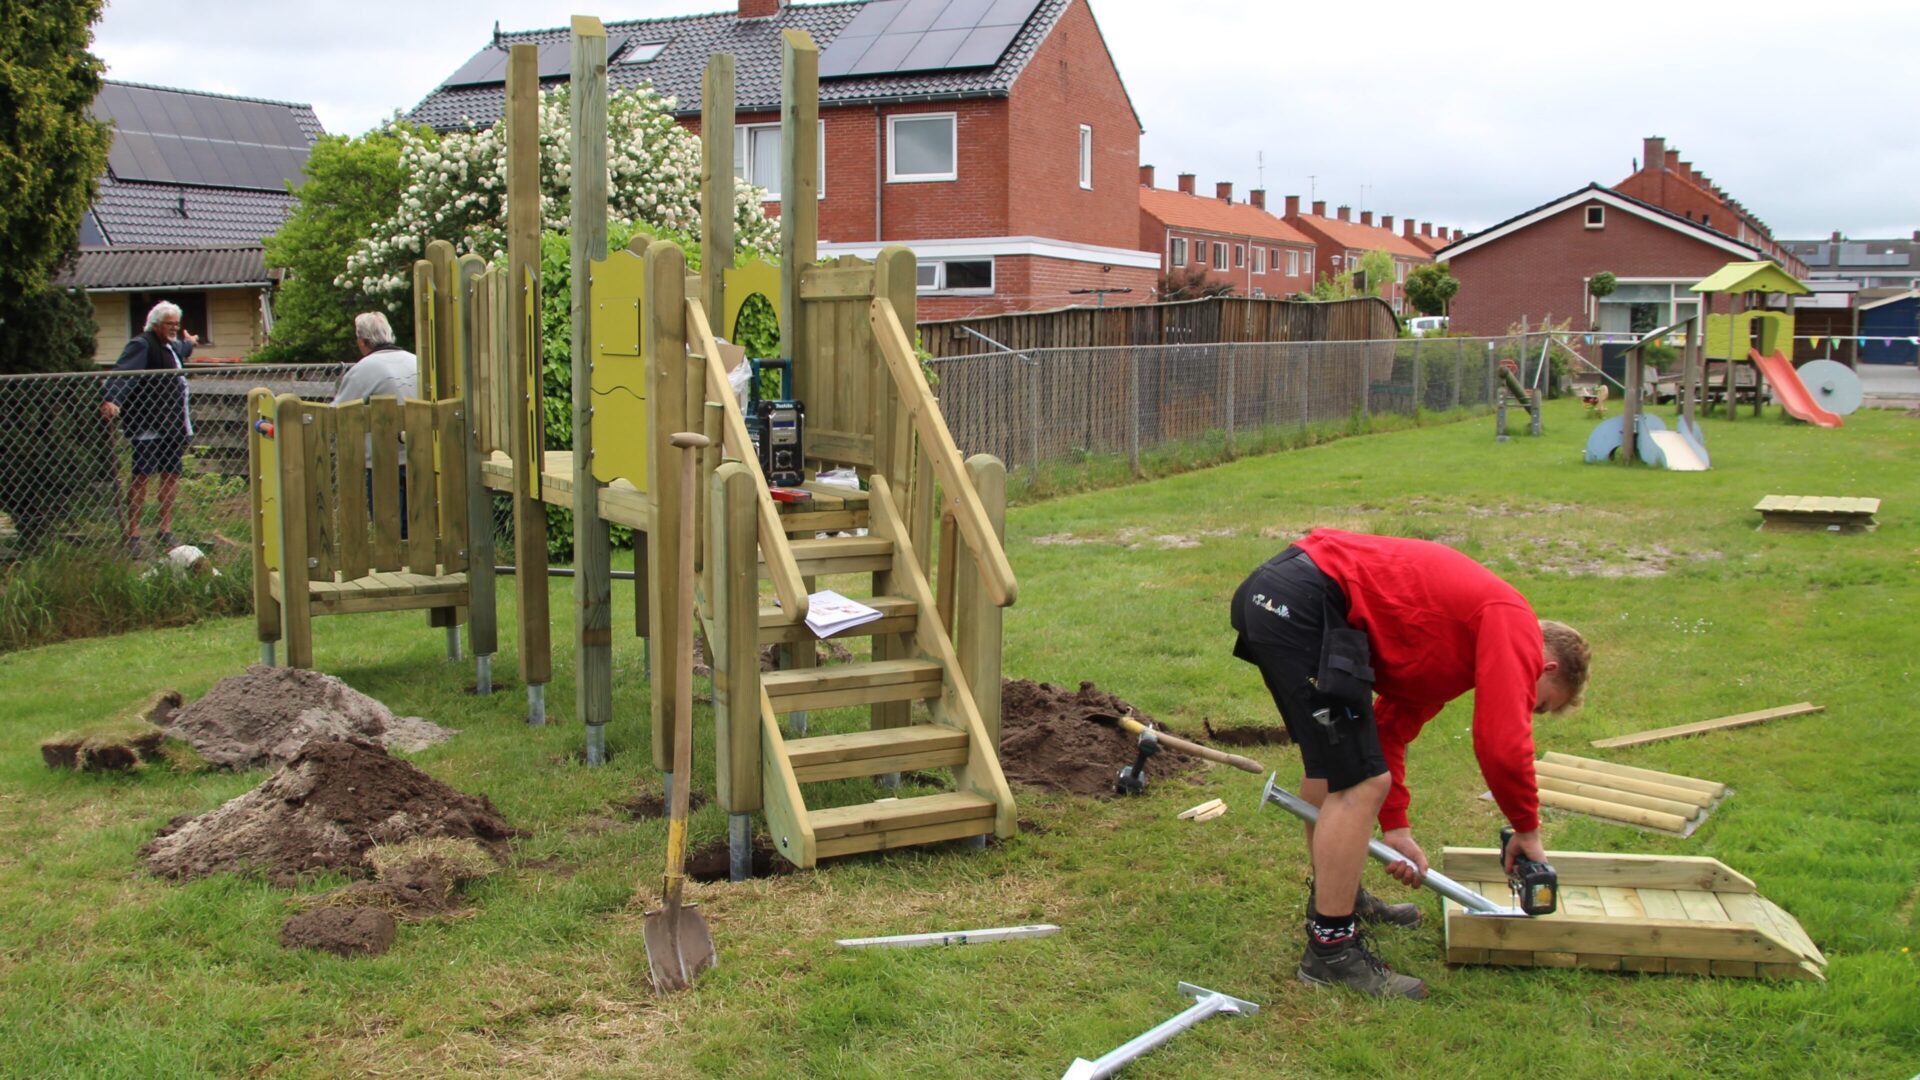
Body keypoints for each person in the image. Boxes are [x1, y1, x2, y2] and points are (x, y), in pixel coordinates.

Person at [1230, 528, 1590, 1000]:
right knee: (1358, 780)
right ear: (1546, 669)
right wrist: (1527, 831)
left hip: (1286, 597)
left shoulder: (1457, 648)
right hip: (1301, 601)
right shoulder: (1512, 622)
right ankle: (1331, 950)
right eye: (1540, 705)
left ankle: (1339, 896)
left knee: (1334, 765)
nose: (1528, 708)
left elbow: (1387, 731)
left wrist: (1395, 828)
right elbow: (1501, 744)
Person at [101, 302, 199, 557]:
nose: (174, 328)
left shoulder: (171, 345)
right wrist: (112, 399)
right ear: (156, 324)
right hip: (149, 423)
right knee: (142, 475)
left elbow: (182, 347)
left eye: (177, 324)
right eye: (170, 324)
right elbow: (124, 372)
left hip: (173, 424)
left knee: (171, 474)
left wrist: (191, 342)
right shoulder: (142, 344)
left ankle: (165, 528)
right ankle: (133, 532)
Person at [333, 312, 419, 535]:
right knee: (419, 524)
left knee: (388, 529)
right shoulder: (416, 361)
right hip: (422, 455)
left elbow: (338, 414)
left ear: (362, 342)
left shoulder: (364, 368)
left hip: (383, 462)